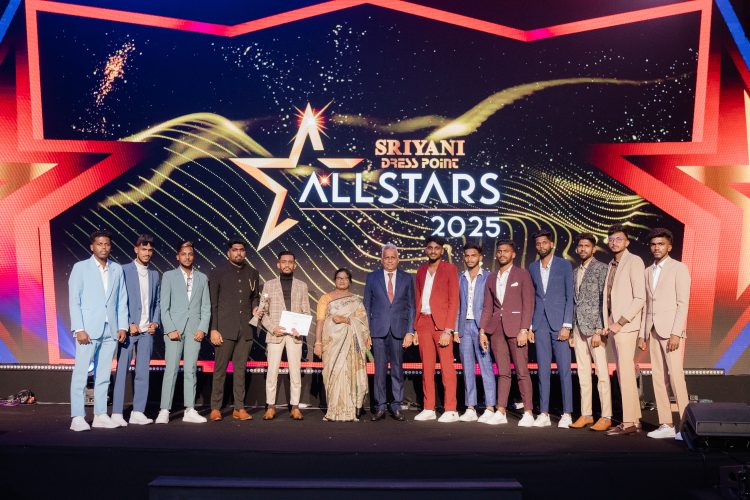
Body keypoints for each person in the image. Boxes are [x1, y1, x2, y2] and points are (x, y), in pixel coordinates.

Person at [68, 230, 127, 431]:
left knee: (103, 375)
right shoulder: (81, 267)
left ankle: (100, 414)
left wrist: (122, 326)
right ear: (92, 247)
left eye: (107, 244)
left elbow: (122, 300)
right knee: (81, 374)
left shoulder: (116, 269)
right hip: (88, 329)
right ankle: (77, 416)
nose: (104, 247)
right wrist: (79, 328)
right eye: (100, 244)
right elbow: (74, 300)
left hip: (110, 330)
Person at [639, 228, 690, 440]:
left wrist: (676, 333)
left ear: (669, 247)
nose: (656, 248)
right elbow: (646, 305)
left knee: (676, 378)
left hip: (671, 331)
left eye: (661, 244)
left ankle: (687, 427)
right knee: (658, 378)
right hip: (652, 330)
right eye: (653, 244)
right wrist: (642, 333)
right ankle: (666, 424)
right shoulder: (647, 271)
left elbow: (683, 303)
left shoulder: (679, 268)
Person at [479, 240, 535, 427]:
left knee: (522, 372)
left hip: (517, 328)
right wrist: (482, 331)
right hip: (496, 329)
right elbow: (488, 307)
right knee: (503, 372)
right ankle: (501, 410)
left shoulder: (522, 274)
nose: (502, 254)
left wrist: (524, 329)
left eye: (506, 251)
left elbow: (528, 304)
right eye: (499, 251)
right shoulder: (491, 277)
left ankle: (528, 412)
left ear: (513, 254)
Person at [156, 241, 211, 424]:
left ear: (193, 256)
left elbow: (206, 307)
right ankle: (164, 410)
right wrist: (170, 329)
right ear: (177, 256)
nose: (187, 257)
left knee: (191, 370)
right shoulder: (169, 276)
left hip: (194, 330)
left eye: (190, 254)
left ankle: (190, 409)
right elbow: (164, 307)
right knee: (171, 370)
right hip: (174, 330)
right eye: (184, 254)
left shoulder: (202, 278)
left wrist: (202, 328)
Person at [208, 239, 260, 422]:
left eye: (242, 250)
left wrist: (255, 307)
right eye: (235, 250)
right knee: (220, 370)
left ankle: (239, 408)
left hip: (245, 330)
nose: (239, 253)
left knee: (240, 370)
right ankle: (216, 408)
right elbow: (213, 304)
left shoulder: (253, 273)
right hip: (224, 329)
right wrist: (213, 329)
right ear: (228, 253)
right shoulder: (217, 272)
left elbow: (255, 297)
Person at [111, 234, 160, 427]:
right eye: (143, 249)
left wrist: (155, 322)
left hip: (147, 331)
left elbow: (157, 302)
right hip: (129, 330)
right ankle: (116, 412)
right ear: (136, 249)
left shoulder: (154, 275)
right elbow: (117, 300)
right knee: (122, 370)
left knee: (143, 372)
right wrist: (127, 323)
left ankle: (138, 412)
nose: (147, 253)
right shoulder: (124, 270)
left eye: (150, 250)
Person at [602, 224, 646, 436]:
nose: (614, 243)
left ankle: (628, 422)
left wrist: (620, 322)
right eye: (611, 239)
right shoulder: (611, 264)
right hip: (613, 325)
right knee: (623, 374)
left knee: (626, 374)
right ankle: (634, 420)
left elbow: (640, 297)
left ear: (627, 242)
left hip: (625, 326)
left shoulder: (634, 261)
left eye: (619, 239)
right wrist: (608, 322)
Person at [363, 243, 415, 422]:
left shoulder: (407, 278)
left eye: (393, 257)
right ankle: (380, 406)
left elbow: (411, 307)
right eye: (387, 258)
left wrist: (410, 332)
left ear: (398, 259)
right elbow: (367, 305)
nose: (390, 261)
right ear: (382, 259)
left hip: (399, 330)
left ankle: (396, 406)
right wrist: (366, 332)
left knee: (397, 369)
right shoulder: (372, 277)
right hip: (378, 330)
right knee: (379, 370)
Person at [528, 230, 575, 428]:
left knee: (564, 370)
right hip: (540, 324)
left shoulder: (564, 265)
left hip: (559, 325)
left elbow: (570, 296)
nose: (541, 246)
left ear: (551, 244)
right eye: (538, 243)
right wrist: (530, 326)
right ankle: (544, 413)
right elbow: (533, 298)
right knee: (543, 371)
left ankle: (567, 413)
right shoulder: (532, 267)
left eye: (544, 243)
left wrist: (567, 325)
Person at [259, 251, 312, 421]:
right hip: (275, 333)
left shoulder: (302, 286)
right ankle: (271, 406)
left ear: (295, 265)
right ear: (278, 264)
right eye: (284, 262)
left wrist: (300, 329)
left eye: (290, 262)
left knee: (295, 372)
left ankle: (295, 407)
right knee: (272, 372)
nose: (287, 264)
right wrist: (272, 328)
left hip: (294, 336)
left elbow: (306, 312)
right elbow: (262, 312)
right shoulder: (269, 285)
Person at [412, 236, 460, 422]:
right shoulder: (421, 270)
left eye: (437, 248)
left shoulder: (450, 269)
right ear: (426, 250)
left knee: (447, 368)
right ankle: (428, 407)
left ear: (442, 250)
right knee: (427, 368)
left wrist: (448, 330)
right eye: (430, 248)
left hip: (442, 325)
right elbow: (418, 299)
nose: (433, 251)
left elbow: (454, 300)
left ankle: (451, 409)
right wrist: (416, 327)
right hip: (423, 322)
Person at [314, 268, 371, 421]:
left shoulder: (356, 301)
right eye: (339, 278)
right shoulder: (325, 298)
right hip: (331, 343)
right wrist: (318, 342)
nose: (342, 280)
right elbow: (320, 321)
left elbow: (363, 324)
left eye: (345, 278)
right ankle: (333, 410)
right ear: (335, 280)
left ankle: (349, 410)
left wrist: (346, 320)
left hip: (351, 345)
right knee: (332, 374)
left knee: (348, 373)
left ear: (350, 281)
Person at [569, 233, 612, 432]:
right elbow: (575, 303)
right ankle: (586, 414)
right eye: (580, 246)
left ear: (593, 249)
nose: (583, 249)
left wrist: (599, 330)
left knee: (602, 374)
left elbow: (605, 300)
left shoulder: (602, 268)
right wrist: (572, 331)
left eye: (587, 246)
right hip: (578, 328)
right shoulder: (575, 272)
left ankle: (606, 416)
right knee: (583, 374)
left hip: (596, 330)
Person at [455, 242, 497, 424]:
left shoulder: (488, 277)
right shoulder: (460, 278)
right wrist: (456, 329)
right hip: (464, 326)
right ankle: (470, 407)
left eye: (473, 255)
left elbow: (492, 305)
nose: (470, 258)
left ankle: (490, 407)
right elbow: (457, 305)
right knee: (468, 368)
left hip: (481, 328)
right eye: (467, 255)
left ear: (480, 257)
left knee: (486, 366)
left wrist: (485, 329)